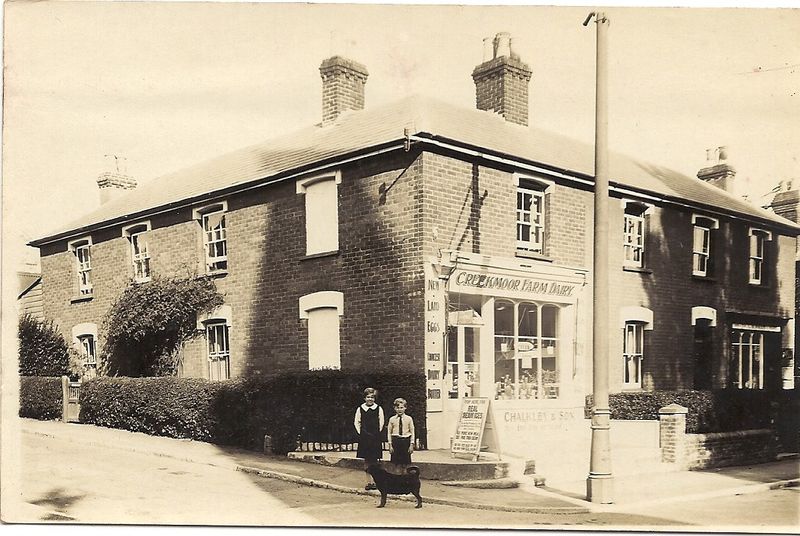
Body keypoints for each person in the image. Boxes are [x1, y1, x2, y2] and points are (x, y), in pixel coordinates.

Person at [353, 387, 384, 490]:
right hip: (365, 438)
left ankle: (376, 482)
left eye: (372, 397)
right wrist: (361, 433)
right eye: (368, 397)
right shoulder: (360, 409)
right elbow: (357, 422)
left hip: (375, 437)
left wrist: (376, 434)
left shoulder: (378, 408)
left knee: (375, 461)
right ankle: (368, 482)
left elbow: (381, 422)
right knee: (367, 461)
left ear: (374, 398)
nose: (370, 399)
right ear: (364, 398)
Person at [387, 397, 415, 467]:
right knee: (396, 464)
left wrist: (411, 444)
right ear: (394, 408)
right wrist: (390, 445)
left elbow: (412, 432)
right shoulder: (392, 419)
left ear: (405, 408)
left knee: (405, 464)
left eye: (401, 407)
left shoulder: (409, 419)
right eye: (397, 408)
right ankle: (397, 477)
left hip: (405, 441)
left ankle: (404, 477)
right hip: (396, 441)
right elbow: (389, 432)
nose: (399, 409)